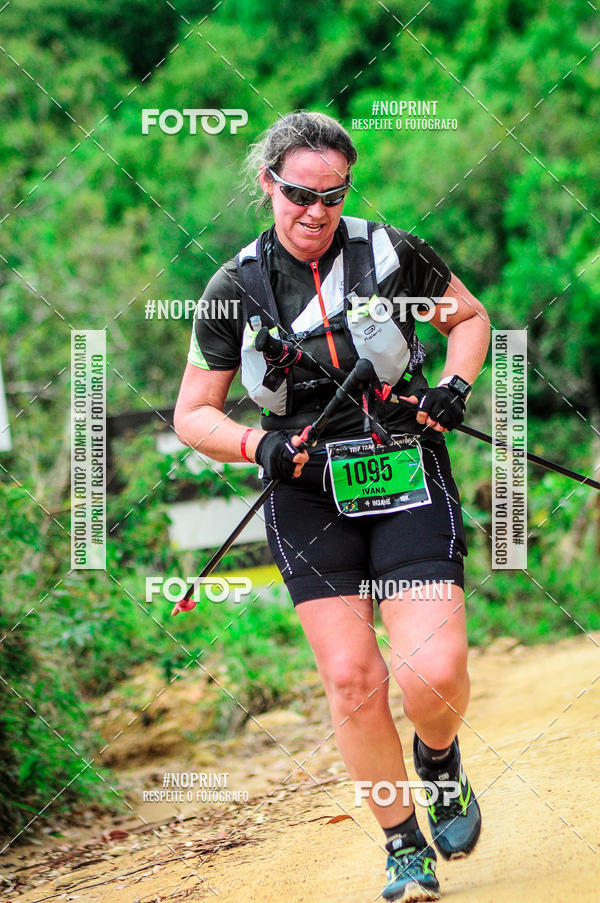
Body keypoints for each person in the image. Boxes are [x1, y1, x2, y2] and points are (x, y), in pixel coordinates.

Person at [175, 111, 490, 903]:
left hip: (402, 471)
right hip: (308, 491)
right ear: (267, 185)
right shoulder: (234, 287)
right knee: (352, 679)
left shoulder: (391, 252)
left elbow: (470, 318)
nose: (315, 211)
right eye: (298, 195)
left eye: (333, 195)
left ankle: (441, 758)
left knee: (434, 670)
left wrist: (452, 387)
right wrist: (259, 447)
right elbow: (192, 414)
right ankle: (402, 846)